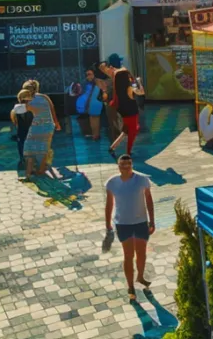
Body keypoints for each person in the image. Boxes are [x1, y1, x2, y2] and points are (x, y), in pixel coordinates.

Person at [105, 154, 155, 301]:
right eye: (123, 165)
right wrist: (107, 224)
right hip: (123, 224)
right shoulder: (111, 183)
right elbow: (109, 205)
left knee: (141, 253)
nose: (126, 167)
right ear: (118, 166)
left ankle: (140, 277)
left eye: (129, 164)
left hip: (140, 222)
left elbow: (149, 201)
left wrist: (152, 221)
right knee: (128, 255)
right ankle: (130, 286)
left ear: (132, 165)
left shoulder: (142, 180)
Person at [21, 82, 60, 178]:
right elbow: (52, 110)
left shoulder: (26, 100)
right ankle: (41, 170)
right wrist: (57, 124)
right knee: (44, 148)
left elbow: (20, 113)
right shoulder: (44, 97)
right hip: (48, 125)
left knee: (30, 148)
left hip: (37, 126)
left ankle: (28, 173)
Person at [108, 69, 145, 158]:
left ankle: (112, 147)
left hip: (124, 111)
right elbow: (141, 92)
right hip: (131, 111)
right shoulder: (130, 87)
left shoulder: (119, 88)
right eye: (128, 76)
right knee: (133, 131)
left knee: (126, 131)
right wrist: (139, 82)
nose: (130, 77)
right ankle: (128, 152)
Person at [75, 68, 106, 140]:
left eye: (90, 74)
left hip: (95, 102)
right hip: (92, 103)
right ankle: (95, 135)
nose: (88, 76)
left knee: (95, 119)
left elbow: (103, 91)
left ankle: (96, 135)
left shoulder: (97, 81)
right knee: (92, 118)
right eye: (87, 75)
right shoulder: (87, 83)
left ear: (94, 74)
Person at [11, 93, 33, 168]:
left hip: (21, 131)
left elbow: (14, 121)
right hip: (29, 131)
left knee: (21, 144)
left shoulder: (16, 108)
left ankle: (23, 160)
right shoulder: (31, 107)